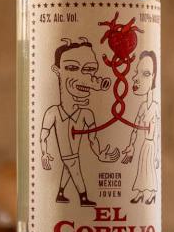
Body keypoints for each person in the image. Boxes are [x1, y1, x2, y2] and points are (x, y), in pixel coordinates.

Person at [40, 38, 119, 207]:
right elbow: (43, 134)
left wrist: (100, 154)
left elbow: (93, 139)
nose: (85, 76)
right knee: (73, 169)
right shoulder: (53, 112)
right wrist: (44, 153)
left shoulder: (86, 114)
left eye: (89, 69)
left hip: (71, 155)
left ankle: (60, 193)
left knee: (68, 169)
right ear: (58, 70)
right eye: (72, 68)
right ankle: (83, 198)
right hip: (68, 155)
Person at [122, 51, 160, 205]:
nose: (135, 78)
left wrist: (157, 154)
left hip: (151, 144)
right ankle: (139, 192)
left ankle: (149, 194)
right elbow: (135, 129)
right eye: (137, 72)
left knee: (150, 169)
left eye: (145, 73)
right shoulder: (143, 107)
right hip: (144, 144)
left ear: (153, 77)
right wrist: (130, 146)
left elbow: (157, 134)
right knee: (141, 168)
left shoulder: (155, 108)